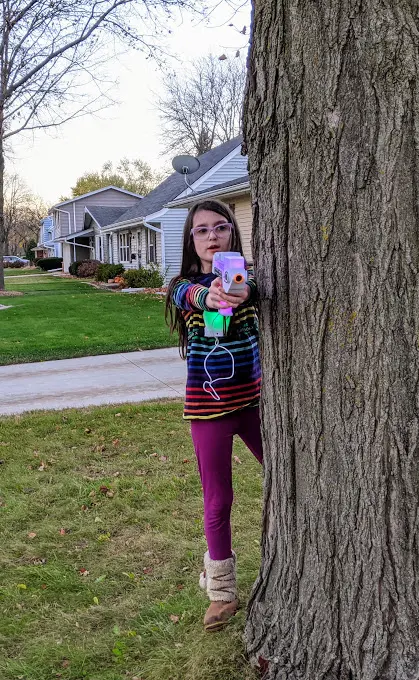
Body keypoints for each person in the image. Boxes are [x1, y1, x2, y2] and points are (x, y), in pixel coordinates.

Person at [165, 199, 262, 631]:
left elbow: (250, 289)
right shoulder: (182, 286)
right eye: (201, 230)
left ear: (231, 233)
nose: (211, 236)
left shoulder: (249, 276)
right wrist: (213, 294)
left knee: (287, 475)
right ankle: (221, 589)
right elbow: (197, 295)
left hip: (257, 405)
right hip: (209, 412)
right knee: (218, 500)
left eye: (219, 228)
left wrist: (240, 287)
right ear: (192, 239)